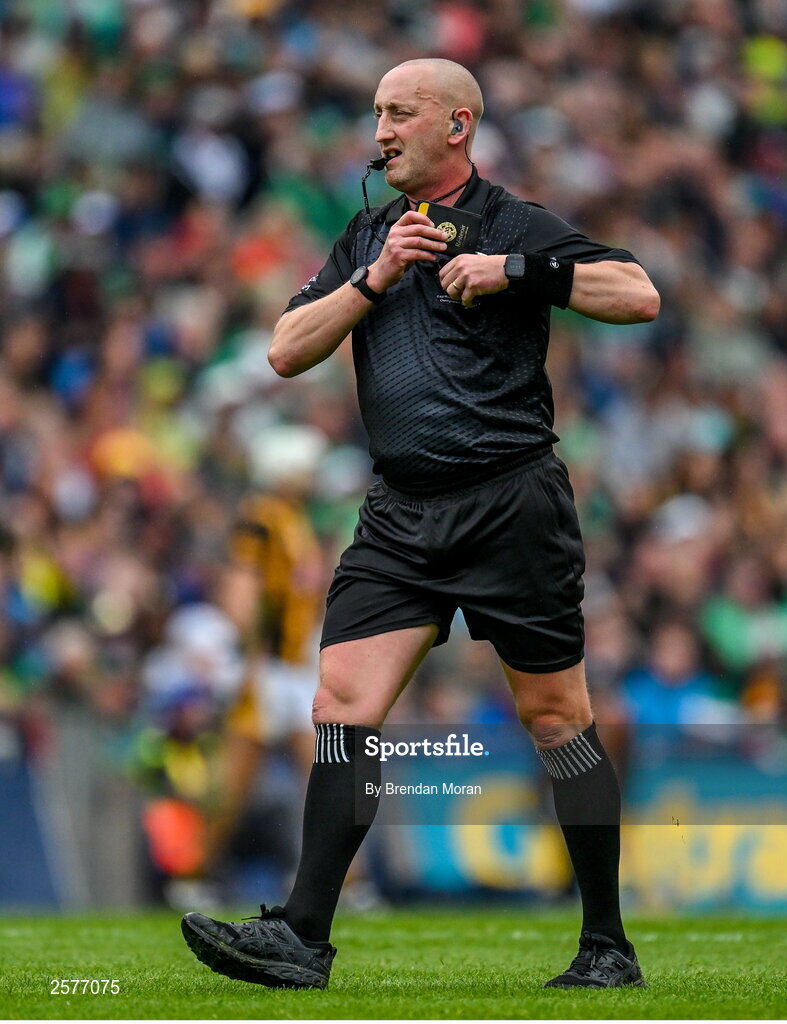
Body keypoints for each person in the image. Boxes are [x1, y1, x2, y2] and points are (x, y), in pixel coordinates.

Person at [181, 57, 659, 991]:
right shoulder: (366, 234)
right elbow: (283, 351)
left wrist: (519, 272)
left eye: (400, 112)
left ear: (458, 126)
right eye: (375, 114)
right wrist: (372, 278)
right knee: (338, 709)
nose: (381, 130)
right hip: (399, 512)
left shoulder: (514, 223)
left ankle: (605, 942)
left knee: (556, 715)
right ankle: (303, 939)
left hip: (509, 500)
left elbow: (636, 295)